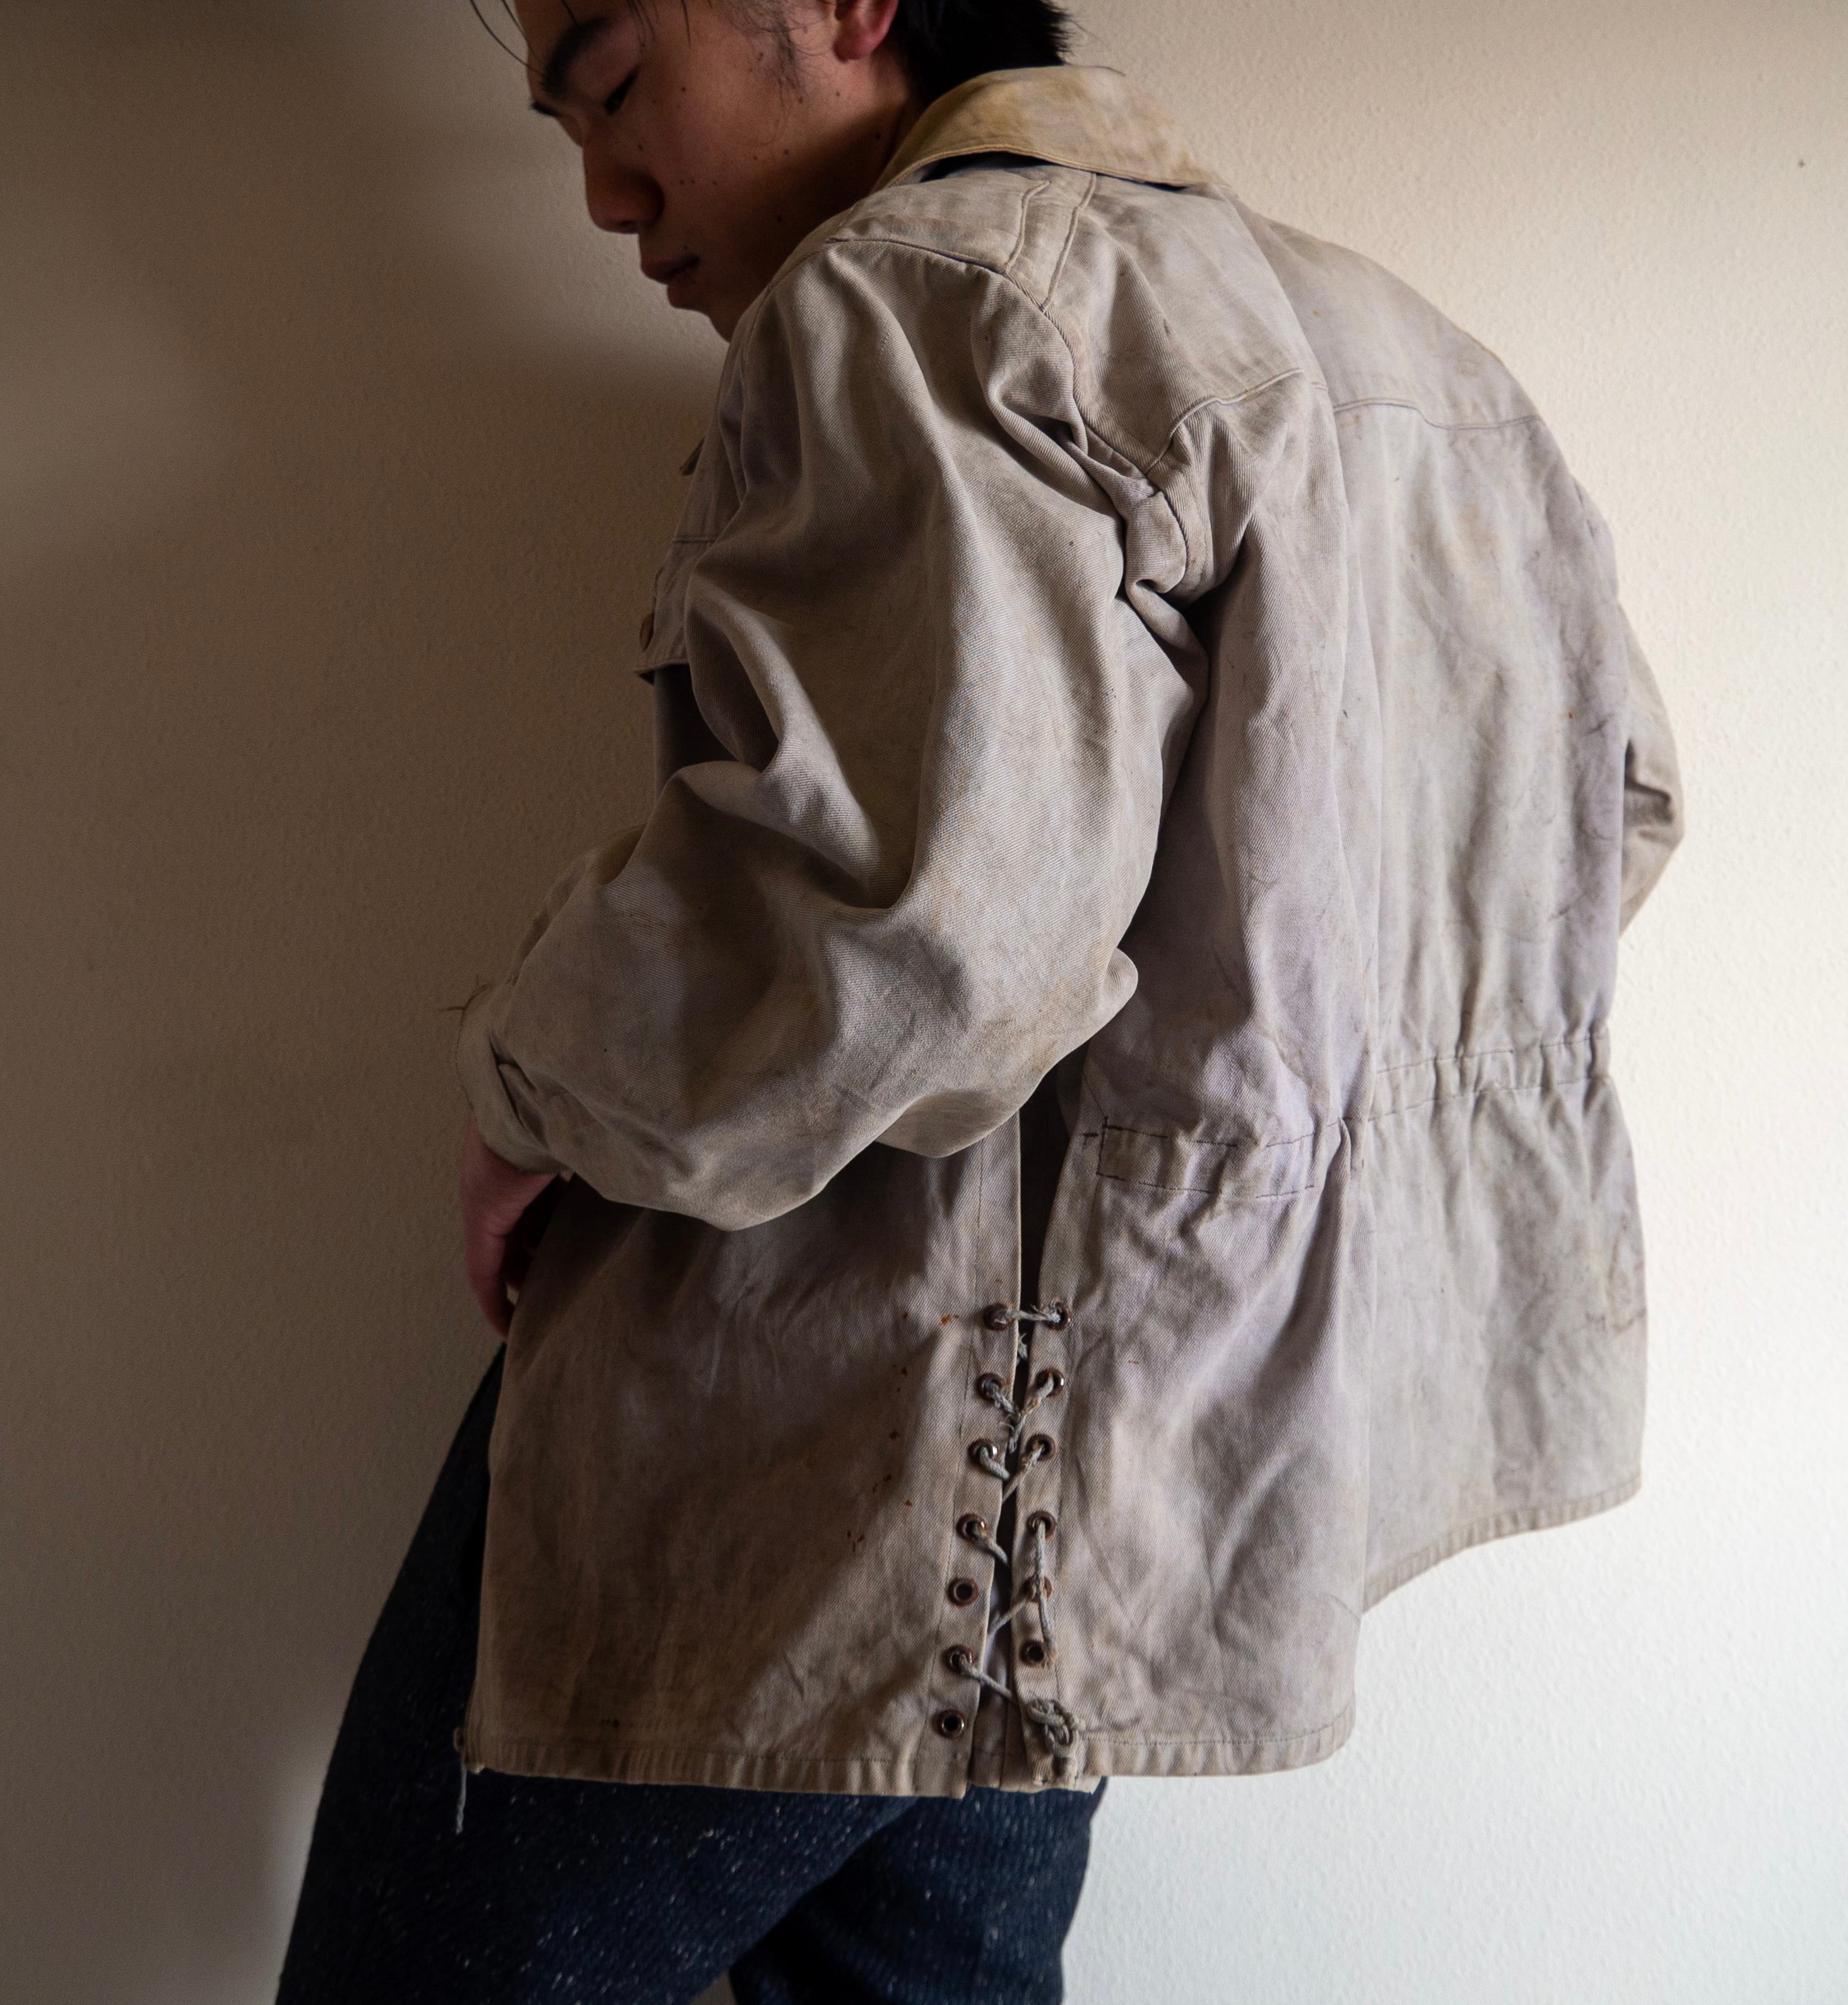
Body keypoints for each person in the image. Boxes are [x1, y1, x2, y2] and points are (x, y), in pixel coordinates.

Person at [280, 0, 1683, 1997]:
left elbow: (915, 928)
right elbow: (1607, 813)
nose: (599, 192)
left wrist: (529, 1089)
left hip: (812, 1427)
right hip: (1110, 1483)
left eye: (610, 81)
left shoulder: (915, 291)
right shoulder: (1411, 360)